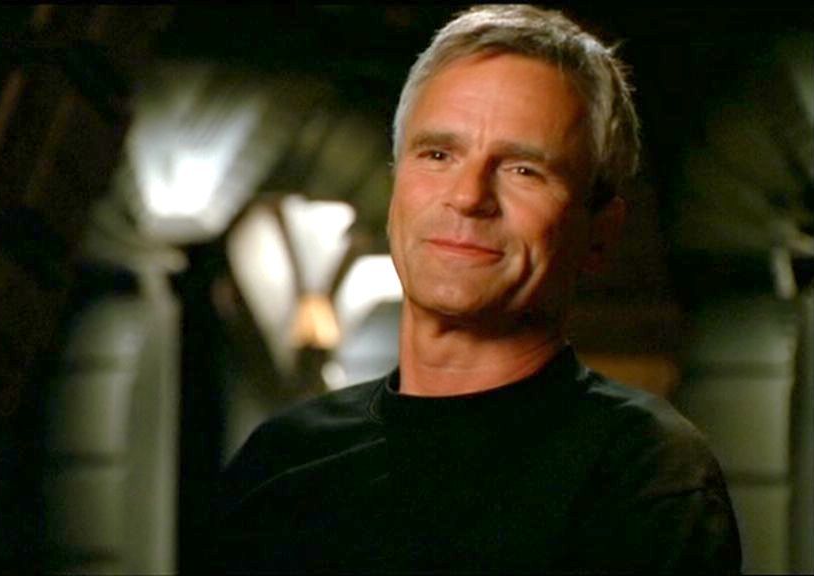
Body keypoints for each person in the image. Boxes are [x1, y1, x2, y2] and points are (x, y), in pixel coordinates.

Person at [206, 5, 742, 573]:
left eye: (523, 169)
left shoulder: (643, 476)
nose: (467, 197)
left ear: (600, 233)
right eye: (438, 154)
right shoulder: (280, 463)